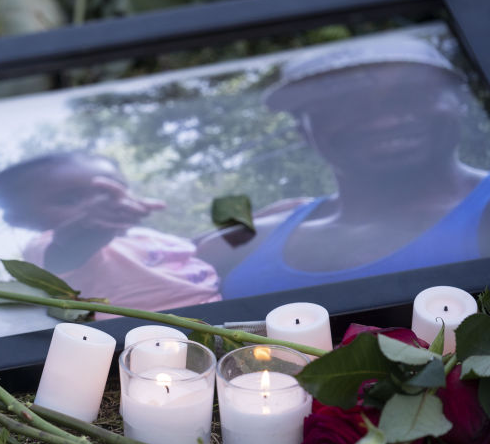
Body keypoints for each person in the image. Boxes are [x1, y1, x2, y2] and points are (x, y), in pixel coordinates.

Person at [196, 35, 490, 299]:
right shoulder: (241, 246)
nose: (384, 121)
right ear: (303, 131)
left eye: (410, 96)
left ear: (460, 103)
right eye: (343, 106)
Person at [0, 152, 221, 314]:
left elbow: (196, 251)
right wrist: (90, 224)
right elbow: (70, 247)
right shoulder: (44, 248)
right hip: (163, 336)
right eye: (70, 199)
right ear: (21, 220)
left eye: (109, 192)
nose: (99, 204)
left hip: (221, 310)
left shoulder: (144, 235)